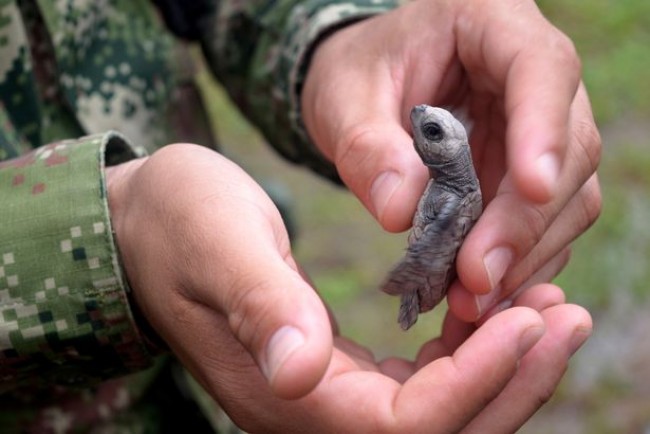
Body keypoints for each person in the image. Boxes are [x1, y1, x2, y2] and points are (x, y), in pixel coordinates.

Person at [0, 0, 601, 432]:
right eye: (425, 124)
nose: (420, 117)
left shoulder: (451, 194)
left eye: (433, 127)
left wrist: (334, 32)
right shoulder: (443, 190)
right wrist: (109, 233)